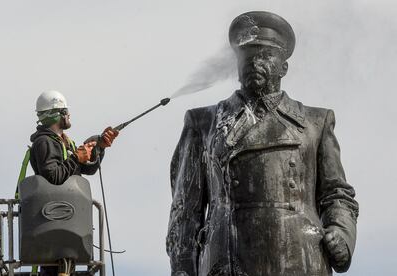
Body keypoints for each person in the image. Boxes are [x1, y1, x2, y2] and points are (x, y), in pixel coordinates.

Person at [166, 11, 359, 276]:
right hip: (226, 262)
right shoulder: (203, 123)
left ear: (283, 67)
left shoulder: (315, 122)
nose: (255, 62)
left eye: (266, 55)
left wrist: (341, 233)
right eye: (246, 56)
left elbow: (336, 194)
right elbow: (184, 210)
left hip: (298, 260)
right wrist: (182, 269)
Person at [24, 90, 118, 276]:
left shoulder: (65, 143)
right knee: (54, 269)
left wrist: (99, 148)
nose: (69, 115)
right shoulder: (44, 142)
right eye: (65, 111)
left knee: (65, 267)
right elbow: (53, 176)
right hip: (52, 218)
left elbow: (88, 169)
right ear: (56, 115)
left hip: (65, 220)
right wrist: (76, 158)